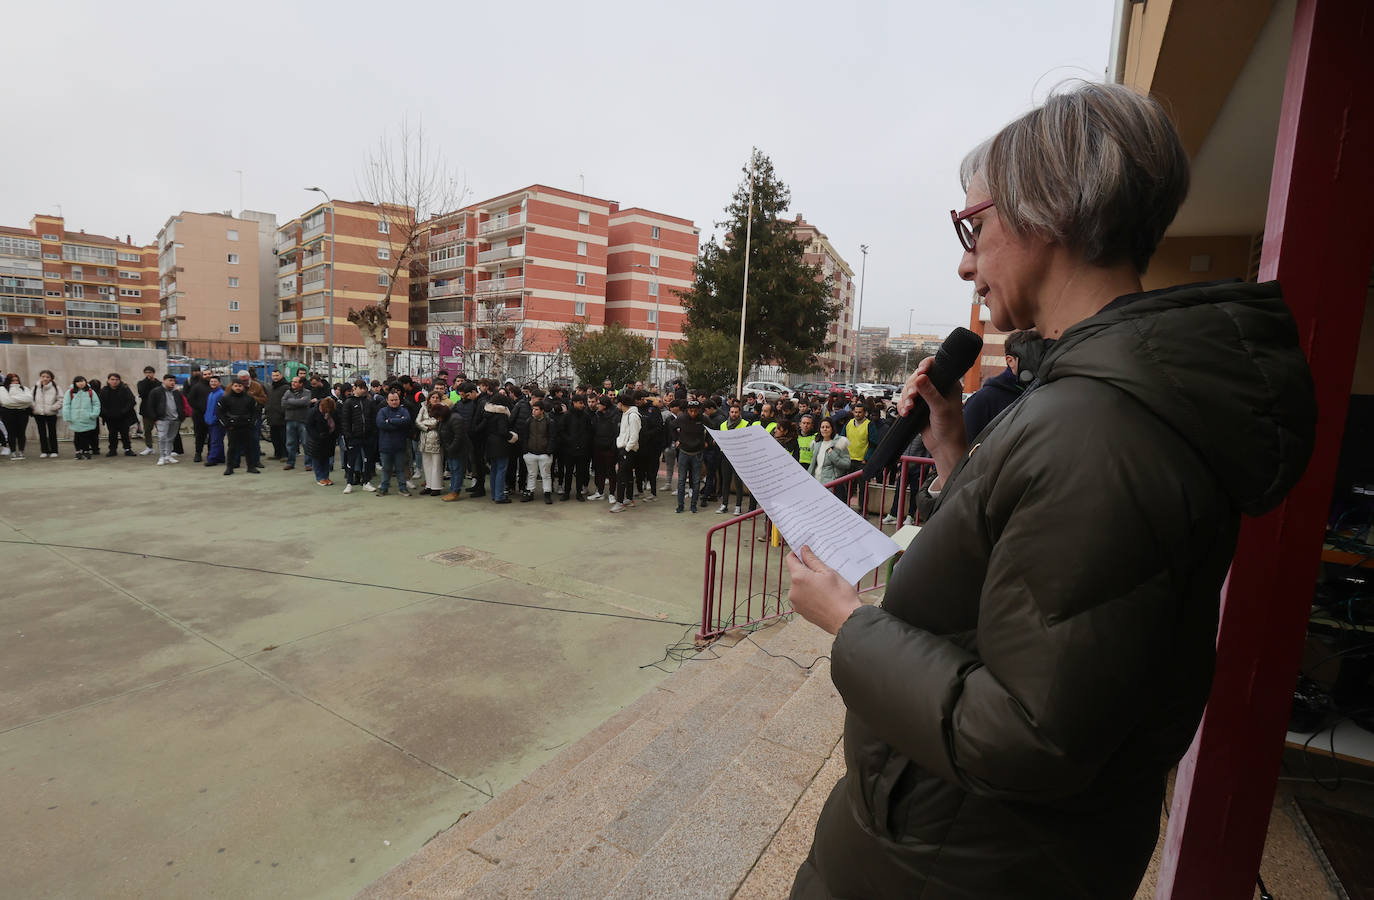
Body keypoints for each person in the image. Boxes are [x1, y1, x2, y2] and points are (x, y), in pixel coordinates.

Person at [785, 82, 1316, 900]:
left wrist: (848, 622)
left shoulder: (1098, 430)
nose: (965, 260)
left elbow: (1025, 735)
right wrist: (956, 451)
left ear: (1053, 210)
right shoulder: (1088, 402)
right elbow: (1037, 585)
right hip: (971, 845)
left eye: (974, 227)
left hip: (958, 864)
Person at [960, 328, 1043, 440]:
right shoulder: (984, 399)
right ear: (1010, 361)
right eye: (1030, 358)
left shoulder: (1045, 394)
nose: (1038, 363)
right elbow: (964, 448)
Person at [339, 380, 378, 494]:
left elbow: (373, 418)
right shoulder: (348, 403)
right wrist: (348, 435)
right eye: (360, 388)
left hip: (367, 436)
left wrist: (372, 433)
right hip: (354, 437)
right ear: (354, 388)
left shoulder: (369, 402)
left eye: (364, 388)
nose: (363, 390)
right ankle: (349, 483)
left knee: (368, 460)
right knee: (351, 460)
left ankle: (366, 482)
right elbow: (345, 421)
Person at [519, 398, 558, 504]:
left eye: (536, 409)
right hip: (530, 452)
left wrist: (549, 451)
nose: (533, 411)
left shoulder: (549, 422)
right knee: (531, 474)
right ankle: (530, 492)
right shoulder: (529, 421)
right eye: (533, 409)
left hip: (544, 453)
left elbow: (552, 437)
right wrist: (525, 450)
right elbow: (525, 436)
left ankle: (547, 493)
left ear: (542, 411)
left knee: (546, 475)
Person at [374, 390, 412, 497]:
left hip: (400, 446)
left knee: (400, 469)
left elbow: (407, 421)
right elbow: (380, 424)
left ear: (399, 400)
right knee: (386, 469)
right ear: (387, 400)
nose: (394, 402)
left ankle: (403, 488)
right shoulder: (382, 411)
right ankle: (384, 488)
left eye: (396, 400)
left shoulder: (404, 410)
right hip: (385, 446)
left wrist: (389, 420)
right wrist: (398, 423)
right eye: (392, 400)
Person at [715, 403, 751, 515]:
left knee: (738, 482)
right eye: (732, 412)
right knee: (725, 481)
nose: (734, 414)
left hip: (739, 457)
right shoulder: (723, 425)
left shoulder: (746, 424)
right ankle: (724, 504)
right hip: (726, 456)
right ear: (729, 413)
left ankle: (738, 506)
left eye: (736, 412)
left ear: (740, 413)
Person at [219, 378, 261, 475]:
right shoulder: (225, 398)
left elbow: (255, 412)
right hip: (232, 427)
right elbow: (220, 412)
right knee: (232, 448)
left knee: (249, 447)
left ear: (243, 387)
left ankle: (251, 467)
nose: (238, 388)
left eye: (240, 386)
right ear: (232, 386)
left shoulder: (249, 398)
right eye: (236, 386)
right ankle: (229, 468)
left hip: (246, 426)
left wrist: (252, 423)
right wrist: (226, 424)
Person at [558, 393, 593, 501]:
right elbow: (561, 431)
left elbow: (589, 431)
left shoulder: (586, 416)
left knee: (580, 472)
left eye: (583, 403)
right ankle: (566, 492)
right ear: (574, 403)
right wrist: (569, 441)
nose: (583, 405)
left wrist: (584, 442)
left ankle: (579, 493)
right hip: (569, 449)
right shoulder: (567, 416)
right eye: (580, 403)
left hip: (582, 450)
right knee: (568, 472)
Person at [673, 399, 707, 514]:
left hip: (697, 453)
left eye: (695, 411)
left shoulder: (703, 418)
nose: (693, 413)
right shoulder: (682, 418)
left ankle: (693, 505)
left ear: (699, 411)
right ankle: (680, 505)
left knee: (696, 481)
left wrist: (707, 441)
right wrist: (676, 440)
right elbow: (671, 426)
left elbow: (713, 429)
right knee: (681, 480)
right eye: (691, 411)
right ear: (688, 410)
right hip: (684, 452)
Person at [481, 393, 516, 503]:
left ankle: (494, 494)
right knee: (501, 469)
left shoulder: (487, 413)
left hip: (490, 443)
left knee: (494, 470)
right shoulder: (501, 415)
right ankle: (499, 496)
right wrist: (512, 436)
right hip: (501, 444)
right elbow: (503, 431)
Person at [146, 373, 186, 465]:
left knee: (171, 438)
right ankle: (162, 457)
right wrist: (154, 418)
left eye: (173, 381)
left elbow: (181, 404)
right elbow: (151, 406)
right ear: (164, 381)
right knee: (162, 437)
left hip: (175, 419)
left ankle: (168, 455)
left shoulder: (177, 392)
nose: (172, 383)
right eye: (170, 380)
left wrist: (181, 416)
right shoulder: (156, 391)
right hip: (162, 418)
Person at [415, 390, 449, 496]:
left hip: (437, 439)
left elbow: (437, 422)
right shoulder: (423, 407)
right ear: (429, 398)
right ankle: (428, 485)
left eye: (437, 398)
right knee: (427, 464)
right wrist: (426, 427)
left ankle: (436, 487)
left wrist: (425, 422)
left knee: (437, 464)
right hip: (424, 439)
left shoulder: (444, 408)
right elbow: (417, 421)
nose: (435, 399)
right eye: (433, 397)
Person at [611, 392, 640, 513]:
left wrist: (626, 449)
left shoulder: (633, 416)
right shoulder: (625, 414)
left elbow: (634, 436)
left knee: (621, 475)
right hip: (624, 448)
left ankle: (620, 502)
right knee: (627, 474)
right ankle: (629, 498)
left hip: (628, 450)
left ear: (621, 403)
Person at [61, 376, 101, 459]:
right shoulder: (70, 392)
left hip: (87, 418)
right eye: (78, 381)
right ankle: (78, 451)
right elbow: (66, 405)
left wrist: (94, 414)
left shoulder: (91, 392)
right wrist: (67, 416)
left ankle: (86, 451)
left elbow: (96, 404)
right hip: (75, 418)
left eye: (83, 381)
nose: (81, 383)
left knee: (86, 435)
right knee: (77, 436)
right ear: (75, 383)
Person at [97, 373, 137, 457]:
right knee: (112, 434)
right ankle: (112, 450)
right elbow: (100, 403)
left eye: (116, 379)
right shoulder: (104, 390)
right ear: (108, 380)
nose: (114, 381)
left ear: (119, 380)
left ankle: (128, 449)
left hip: (123, 416)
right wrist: (106, 413)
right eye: (112, 379)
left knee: (125, 434)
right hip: (110, 417)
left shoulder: (125, 389)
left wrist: (124, 411)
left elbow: (131, 401)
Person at [439, 398, 470, 502]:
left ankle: (455, 492)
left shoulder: (455, 419)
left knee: (457, 471)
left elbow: (458, 437)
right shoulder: (445, 419)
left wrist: (451, 448)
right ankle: (453, 490)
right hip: (450, 450)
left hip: (458, 450)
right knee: (453, 470)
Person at [589, 395, 619, 501]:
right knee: (599, 470)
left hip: (610, 448)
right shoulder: (597, 415)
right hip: (598, 447)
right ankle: (600, 492)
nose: (597, 405)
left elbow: (616, 432)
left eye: (599, 404)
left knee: (611, 471)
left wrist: (612, 446)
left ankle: (611, 493)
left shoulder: (615, 415)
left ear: (605, 405)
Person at [281, 376, 312, 471]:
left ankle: (308, 464)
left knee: (305, 443)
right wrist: (298, 402)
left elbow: (305, 402)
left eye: (295, 382)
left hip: (302, 421)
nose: (293, 383)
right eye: (292, 381)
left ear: (301, 384)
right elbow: (283, 404)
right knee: (290, 443)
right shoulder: (288, 392)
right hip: (290, 420)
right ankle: (290, 462)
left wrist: (290, 401)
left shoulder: (307, 392)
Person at [0, 374, 34, 460]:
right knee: (11, 433)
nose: (15, 382)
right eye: (12, 380)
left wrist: (12, 399)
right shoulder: (2, 389)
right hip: (8, 413)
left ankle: (21, 451)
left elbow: (29, 399)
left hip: (22, 413)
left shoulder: (24, 388)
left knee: (21, 433)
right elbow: (6, 402)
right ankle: (13, 452)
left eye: (16, 380)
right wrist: (21, 400)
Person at [305, 397, 338, 486]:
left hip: (328, 439)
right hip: (316, 440)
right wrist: (316, 436)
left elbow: (337, 423)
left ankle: (326, 477)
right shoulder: (313, 412)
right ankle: (320, 478)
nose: (328, 412)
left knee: (326, 459)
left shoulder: (332, 412)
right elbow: (309, 426)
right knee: (317, 459)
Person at [808, 417, 850, 486]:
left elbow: (847, 464)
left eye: (827, 427)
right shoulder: (816, 444)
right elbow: (813, 465)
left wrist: (832, 455)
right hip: (816, 482)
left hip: (832, 484)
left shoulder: (840, 443)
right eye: (822, 427)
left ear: (832, 429)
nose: (825, 429)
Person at [31, 370, 62, 458]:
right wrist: (35, 408)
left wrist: (53, 408)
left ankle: (54, 450)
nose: (45, 378)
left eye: (47, 377)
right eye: (43, 376)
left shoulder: (56, 387)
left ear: (51, 378)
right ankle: (44, 450)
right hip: (39, 413)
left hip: (51, 413)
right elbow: (31, 399)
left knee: (52, 432)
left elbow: (60, 399)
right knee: (42, 433)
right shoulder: (35, 387)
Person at [184, 367, 211, 462]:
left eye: (209, 374)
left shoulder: (214, 386)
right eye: (205, 374)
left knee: (211, 435)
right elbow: (190, 399)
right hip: (199, 415)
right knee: (200, 435)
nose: (207, 376)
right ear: (202, 376)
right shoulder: (197, 387)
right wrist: (200, 409)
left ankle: (211, 453)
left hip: (212, 416)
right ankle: (198, 453)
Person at [202, 376, 226, 467]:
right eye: (211, 381)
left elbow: (221, 409)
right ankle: (220, 457)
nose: (213, 383)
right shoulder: (211, 394)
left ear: (219, 383)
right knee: (217, 440)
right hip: (210, 420)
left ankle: (212, 458)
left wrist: (216, 418)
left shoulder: (221, 394)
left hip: (217, 421)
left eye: (215, 381)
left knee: (215, 441)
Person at [265, 369, 289, 460]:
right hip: (272, 416)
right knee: (274, 437)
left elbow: (287, 402)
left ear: (281, 375)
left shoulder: (285, 387)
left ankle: (284, 454)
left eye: (277, 375)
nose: (275, 377)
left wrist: (283, 412)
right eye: (273, 376)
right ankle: (277, 453)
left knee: (283, 437)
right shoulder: (271, 387)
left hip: (281, 417)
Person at [136, 365, 159, 455]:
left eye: (150, 372)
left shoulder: (159, 383)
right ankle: (149, 447)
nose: (148, 374)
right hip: (146, 410)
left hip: (158, 410)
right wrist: (147, 381)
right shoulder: (141, 383)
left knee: (161, 430)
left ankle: (165, 447)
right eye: (146, 373)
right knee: (147, 429)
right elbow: (142, 393)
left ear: (153, 373)